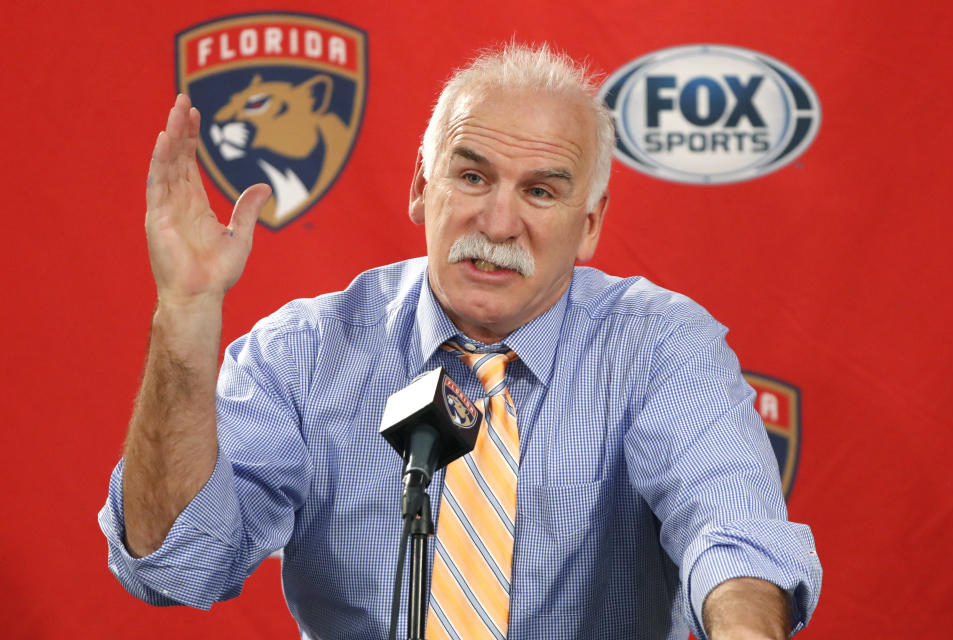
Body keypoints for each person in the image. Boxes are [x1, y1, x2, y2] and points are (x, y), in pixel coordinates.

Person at [99, 44, 821, 639]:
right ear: (421, 187)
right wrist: (186, 314)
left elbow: (731, 529)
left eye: (541, 191)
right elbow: (174, 565)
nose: (498, 222)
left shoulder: (658, 345)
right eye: (472, 176)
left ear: (592, 223)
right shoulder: (304, 354)